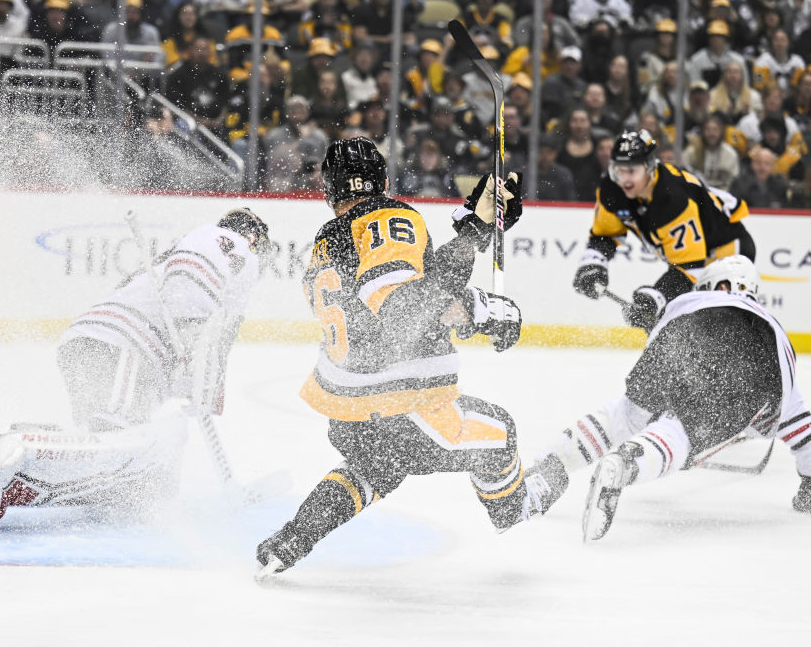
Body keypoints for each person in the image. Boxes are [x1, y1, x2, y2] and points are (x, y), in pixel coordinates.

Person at [255, 137, 549, 576]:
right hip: (403, 404)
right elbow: (405, 309)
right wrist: (477, 283)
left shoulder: (325, 244)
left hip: (350, 411)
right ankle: (521, 529)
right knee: (500, 432)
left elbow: (399, 300)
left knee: (373, 469)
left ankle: (290, 541)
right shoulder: (388, 217)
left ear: (330, 190)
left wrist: (475, 236)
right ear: (384, 179)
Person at [0, 209, 272, 524]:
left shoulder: (205, 264)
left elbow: (215, 339)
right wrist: (190, 337)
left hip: (101, 343)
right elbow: (192, 274)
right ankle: (5, 461)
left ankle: (20, 448)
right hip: (124, 346)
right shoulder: (231, 242)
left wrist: (202, 388)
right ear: (254, 237)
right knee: (117, 444)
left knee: (107, 447)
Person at [524, 256, 811, 541]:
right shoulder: (768, 334)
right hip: (751, 361)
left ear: (722, 286)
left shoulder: (692, 305)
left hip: (678, 331)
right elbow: (803, 431)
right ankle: (627, 463)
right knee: (680, 432)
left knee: (624, 415)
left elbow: (676, 335)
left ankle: (550, 465)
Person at [572, 129, 755, 333]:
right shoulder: (612, 189)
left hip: (728, 249)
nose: (624, 179)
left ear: (650, 167)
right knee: (671, 323)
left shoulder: (672, 198)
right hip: (694, 255)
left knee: (713, 325)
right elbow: (606, 234)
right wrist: (593, 264)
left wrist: (656, 297)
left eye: (632, 171)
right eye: (619, 170)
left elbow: (690, 267)